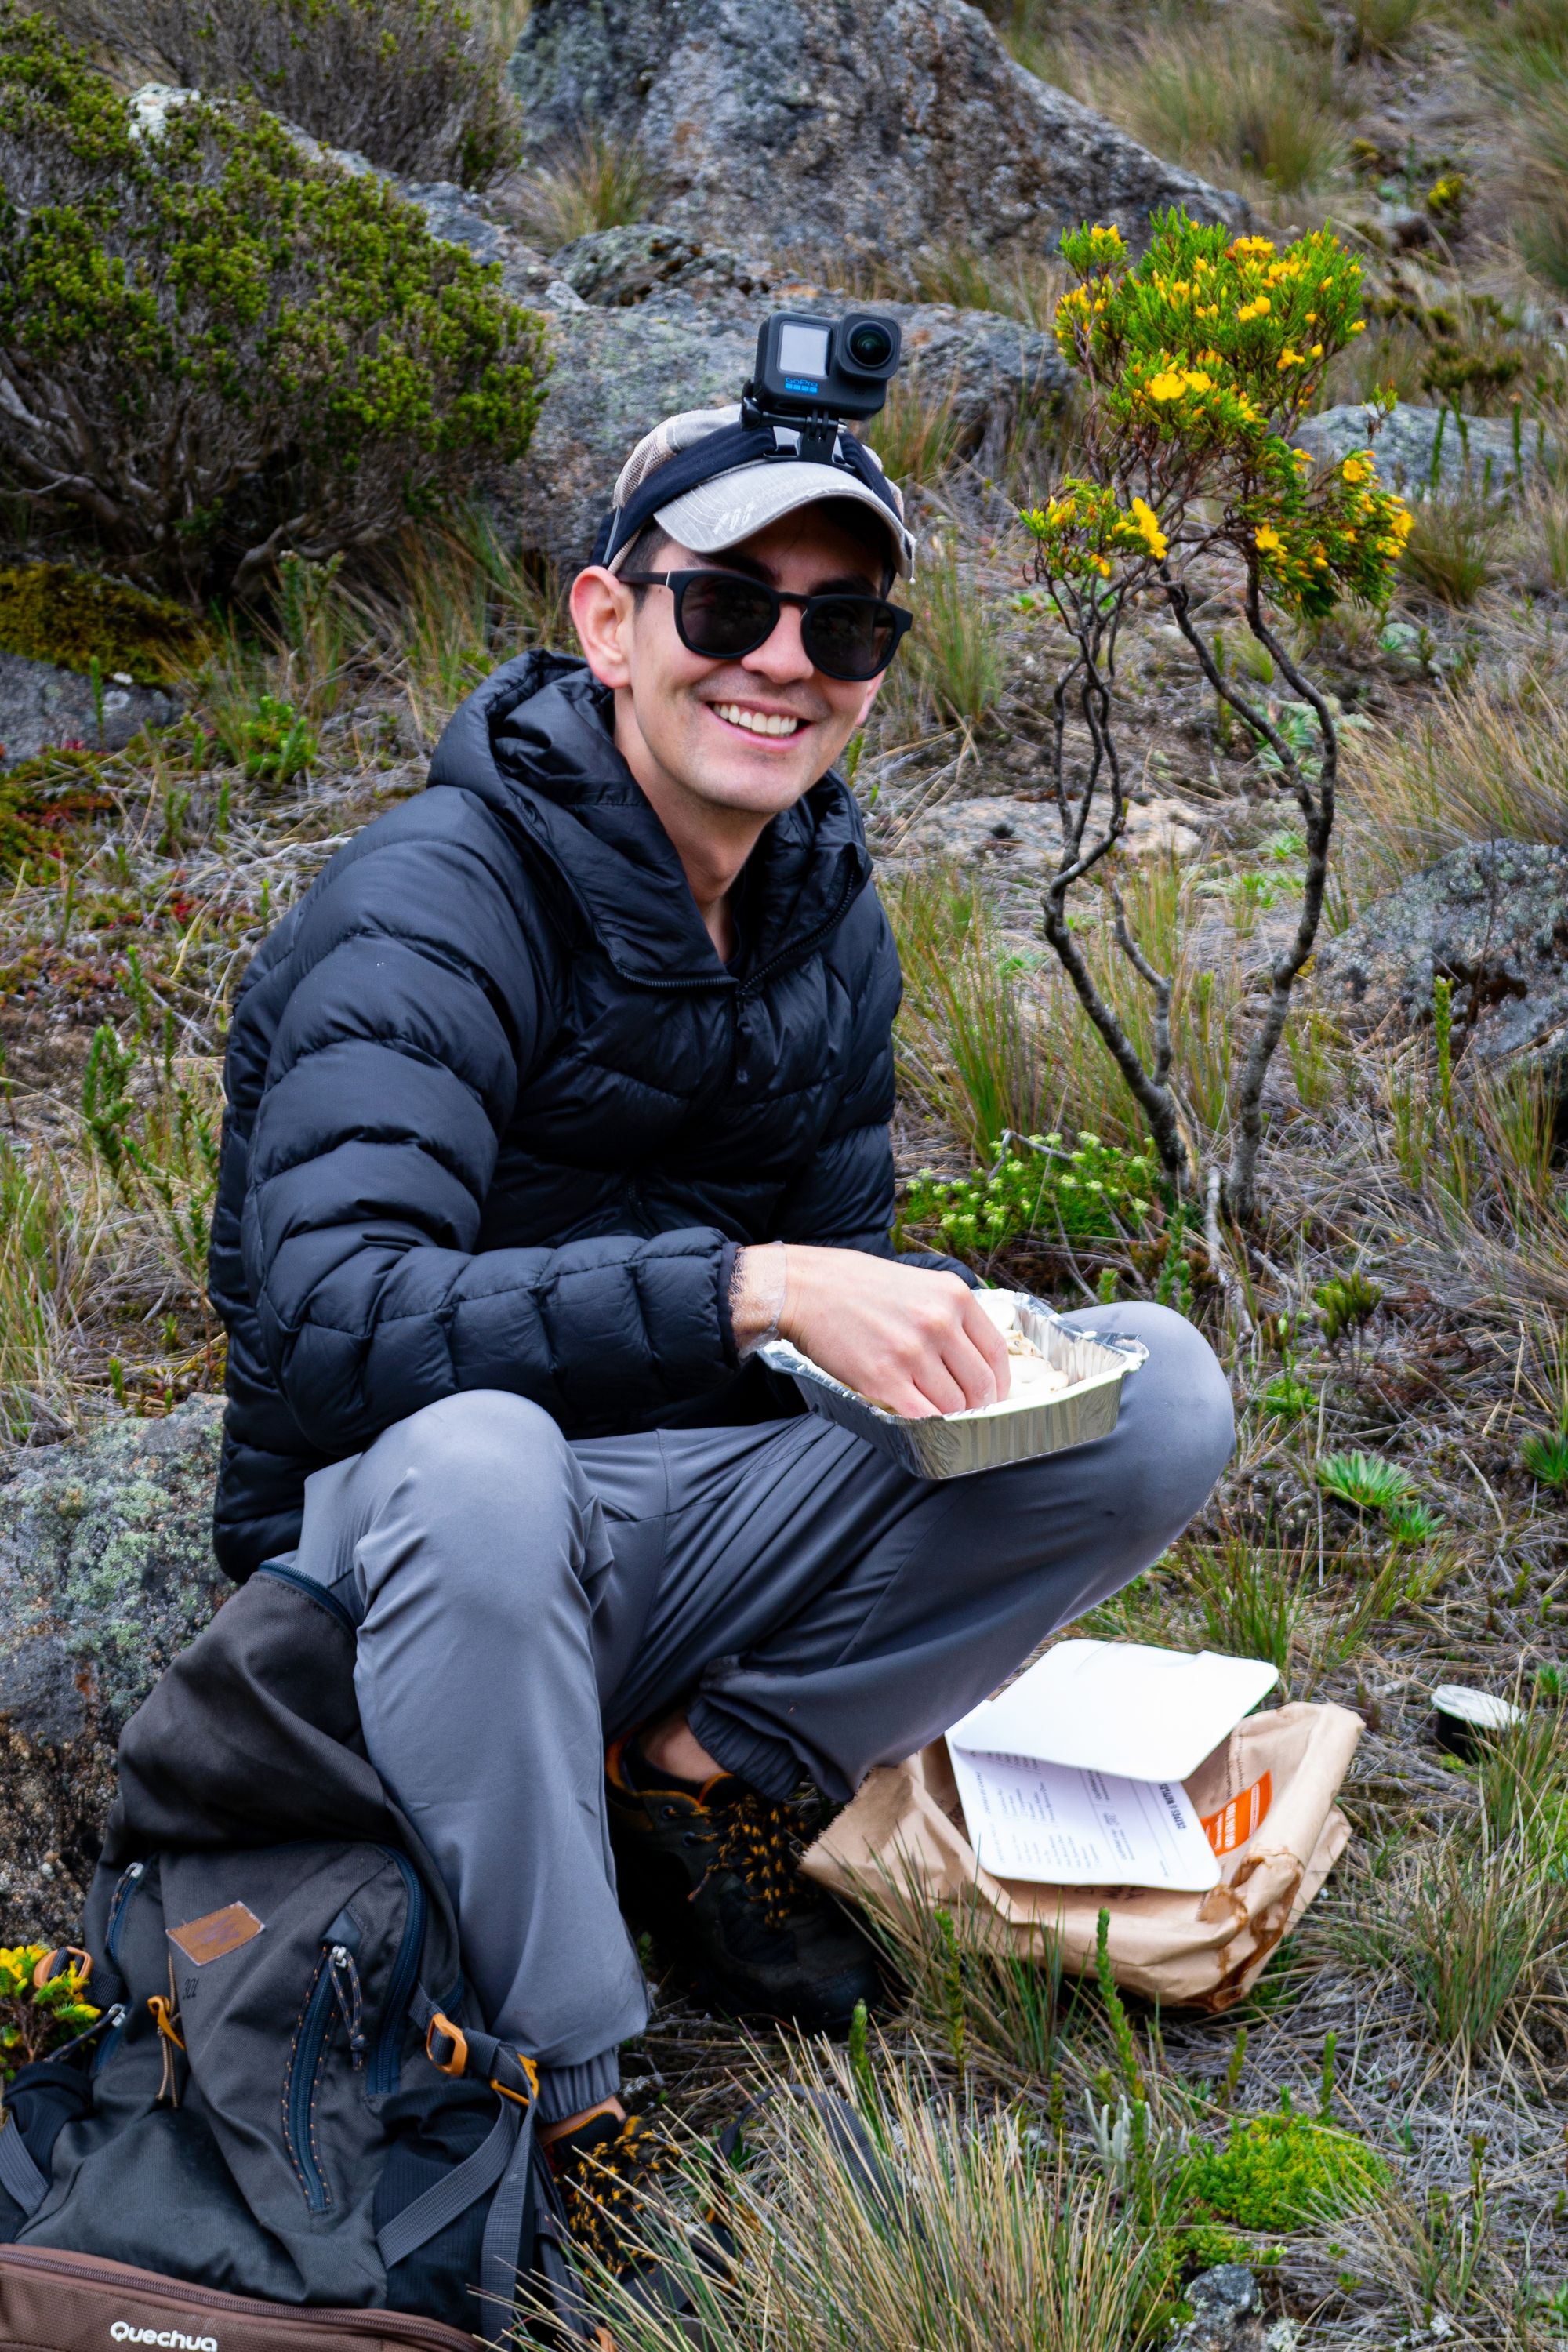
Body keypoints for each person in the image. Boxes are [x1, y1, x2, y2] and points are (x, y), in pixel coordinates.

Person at [209, 392, 1233, 2227]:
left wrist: (915, 1318)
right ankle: (568, 2080)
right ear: (607, 622)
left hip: (669, 1529)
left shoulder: (819, 909)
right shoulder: (429, 904)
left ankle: (702, 1777)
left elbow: (837, 1277)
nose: (783, 663)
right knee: (484, 1458)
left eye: (843, 627)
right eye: (726, 608)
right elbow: (332, 1319)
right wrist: (746, 1285)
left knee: (1151, 1389)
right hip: (397, 1564)